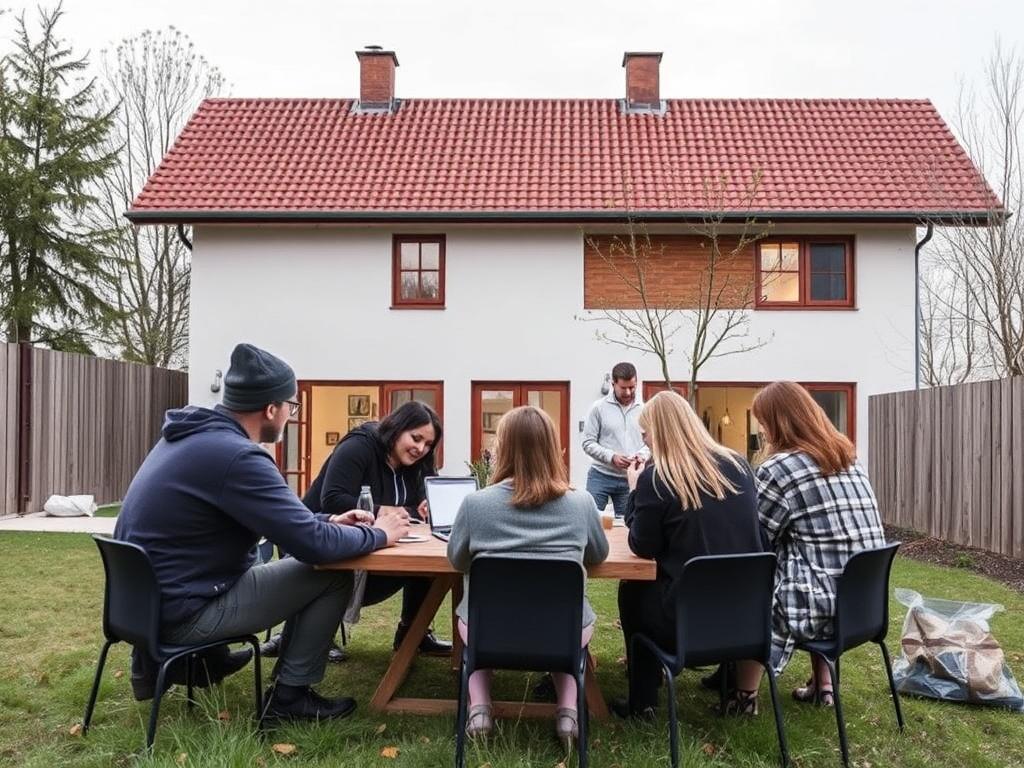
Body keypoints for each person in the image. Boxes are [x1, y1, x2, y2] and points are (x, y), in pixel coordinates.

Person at [114, 343, 410, 721]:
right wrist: (382, 534)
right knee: (333, 576)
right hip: (186, 612)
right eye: (292, 406)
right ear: (272, 408)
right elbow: (312, 548)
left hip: (147, 607)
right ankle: (289, 697)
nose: (291, 415)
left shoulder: (190, 437)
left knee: (305, 563)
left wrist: (328, 521)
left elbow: (291, 523)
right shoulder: (237, 456)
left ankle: (205, 663)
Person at [447, 406, 609, 745]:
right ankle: (567, 713)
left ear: (501, 448)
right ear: (554, 448)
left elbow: (457, 560)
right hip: (563, 630)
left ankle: (479, 709)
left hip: (487, 629)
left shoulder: (475, 505)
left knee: (475, 614)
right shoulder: (582, 504)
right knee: (565, 625)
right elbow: (599, 554)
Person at [730, 381, 886, 711]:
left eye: (762, 420)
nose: (761, 429)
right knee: (818, 559)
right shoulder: (850, 459)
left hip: (815, 606)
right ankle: (824, 686)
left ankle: (744, 697)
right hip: (861, 603)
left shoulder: (778, 468)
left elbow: (759, 540)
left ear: (777, 422)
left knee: (751, 584)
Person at [613, 391, 763, 719]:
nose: (644, 439)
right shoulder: (739, 466)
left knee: (632, 589)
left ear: (661, 431)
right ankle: (728, 676)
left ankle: (644, 701)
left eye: (646, 432)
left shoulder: (658, 478)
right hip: (747, 617)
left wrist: (635, 488)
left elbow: (642, 545)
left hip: (686, 621)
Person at [301, 401, 452, 656]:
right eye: (415, 438)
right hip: (324, 544)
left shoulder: (416, 464)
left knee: (433, 568)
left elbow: (413, 508)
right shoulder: (358, 446)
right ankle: (315, 635)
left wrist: (425, 508)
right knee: (428, 567)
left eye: (427, 445)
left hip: (379, 546)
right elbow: (334, 499)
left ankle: (412, 634)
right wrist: (385, 510)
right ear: (397, 428)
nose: (420, 449)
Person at [582, 362, 648, 518]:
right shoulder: (598, 408)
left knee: (628, 525)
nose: (628, 392)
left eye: (632, 387)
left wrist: (642, 455)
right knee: (590, 520)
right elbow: (587, 442)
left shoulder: (645, 410)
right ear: (613, 384)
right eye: (623, 388)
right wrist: (611, 457)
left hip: (629, 479)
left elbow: (652, 443)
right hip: (600, 476)